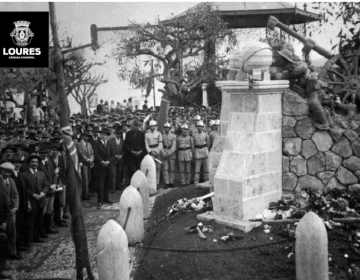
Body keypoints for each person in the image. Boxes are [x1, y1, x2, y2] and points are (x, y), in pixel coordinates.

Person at [21, 154, 49, 247]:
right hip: (31, 201)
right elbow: (24, 188)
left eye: (36, 162)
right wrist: (33, 194)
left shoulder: (41, 173)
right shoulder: (24, 174)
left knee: (39, 220)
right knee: (30, 221)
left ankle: (36, 237)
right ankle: (28, 241)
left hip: (40, 200)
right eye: (32, 162)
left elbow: (46, 185)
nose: (34, 164)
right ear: (28, 163)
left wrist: (42, 193)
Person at [0, 162, 20, 260]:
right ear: (1, 171)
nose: (7, 174)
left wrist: (15, 207)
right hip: (2, 212)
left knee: (12, 232)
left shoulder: (11, 181)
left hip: (11, 212)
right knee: (2, 234)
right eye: (5, 172)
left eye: (9, 172)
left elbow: (16, 194)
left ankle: (12, 252)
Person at [93, 128, 112, 209]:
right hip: (100, 166)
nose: (103, 136)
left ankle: (106, 198)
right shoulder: (96, 143)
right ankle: (99, 201)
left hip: (108, 165)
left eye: (105, 135)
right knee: (100, 184)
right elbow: (96, 154)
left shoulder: (109, 143)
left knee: (107, 183)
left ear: (107, 136)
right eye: (102, 135)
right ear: (100, 135)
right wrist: (102, 162)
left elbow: (112, 154)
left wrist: (108, 162)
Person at [124, 119, 145, 184]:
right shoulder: (128, 134)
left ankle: (138, 183)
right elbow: (126, 144)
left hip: (139, 155)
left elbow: (143, 144)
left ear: (139, 126)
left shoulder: (141, 134)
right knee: (131, 169)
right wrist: (131, 151)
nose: (135, 128)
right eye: (134, 126)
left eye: (137, 126)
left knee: (138, 169)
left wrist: (140, 151)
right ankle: (131, 182)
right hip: (131, 155)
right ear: (132, 126)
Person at [76, 131, 94, 200]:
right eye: (85, 136)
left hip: (89, 164)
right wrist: (87, 160)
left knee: (88, 179)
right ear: (82, 137)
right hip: (83, 164)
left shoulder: (89, 144)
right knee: (85, 179)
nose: (86, 138)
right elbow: (81, 154)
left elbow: (92, 152)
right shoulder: (78, 144)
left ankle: (87, 192)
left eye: (87, 136)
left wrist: (91, 159)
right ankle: (84, 194)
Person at [145, 120, 163, 186]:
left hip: (157, 151)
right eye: (151, 126)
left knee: (157, 168)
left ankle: (157, 183)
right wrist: (150, 151)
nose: (152, 127)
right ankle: (151, 183)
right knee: (150, 168)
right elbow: (146, 144)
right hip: (150, 152)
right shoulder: (146, 134)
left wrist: (156, 151)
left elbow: (160, 144)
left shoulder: (159, 133)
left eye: (153, 126)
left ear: (155, 126)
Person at [107, 127, 124, 193]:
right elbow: (109, 152)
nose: (119, 135)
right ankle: (112, 187)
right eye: (117, 134)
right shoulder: (110, 141)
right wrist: (115, 156)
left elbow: (124, 150)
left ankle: (118, 185)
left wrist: (121, 155)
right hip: (113, 160)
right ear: (115, 134)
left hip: (120, 160)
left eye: (120, 134)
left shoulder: (122, 141)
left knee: (119, 173)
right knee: (113, 174)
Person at [161, 122, 176, 189]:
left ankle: (171, 182)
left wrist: (169, 153)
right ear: (164, 128)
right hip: (164, 151)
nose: (166, 129)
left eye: (168, 127)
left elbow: (174, 146)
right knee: (165, 168)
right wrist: (163, 152)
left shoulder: (173, 136)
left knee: (172, 168)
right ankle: (166, 182)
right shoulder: (162, 136)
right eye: (165, 127)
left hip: (171, 153)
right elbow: (160, 145)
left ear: (170, 128)